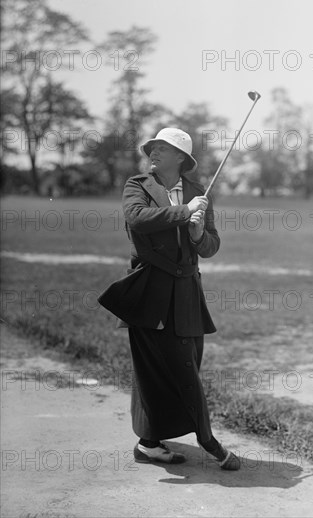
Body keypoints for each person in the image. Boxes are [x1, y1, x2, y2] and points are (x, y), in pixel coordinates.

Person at [122, 127, 240, 471]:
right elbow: (137, 219)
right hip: (149, 288)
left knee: (188, 360)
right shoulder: (138, 185)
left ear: (180, 158)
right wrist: (183, 211)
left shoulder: (198, 192)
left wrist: (198, 231)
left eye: (162, 147)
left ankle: (149, 443)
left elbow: (212, 246)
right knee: (163, 367)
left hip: (187, 291)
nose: (153, 152)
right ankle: (209, 442)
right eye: (152, 147)